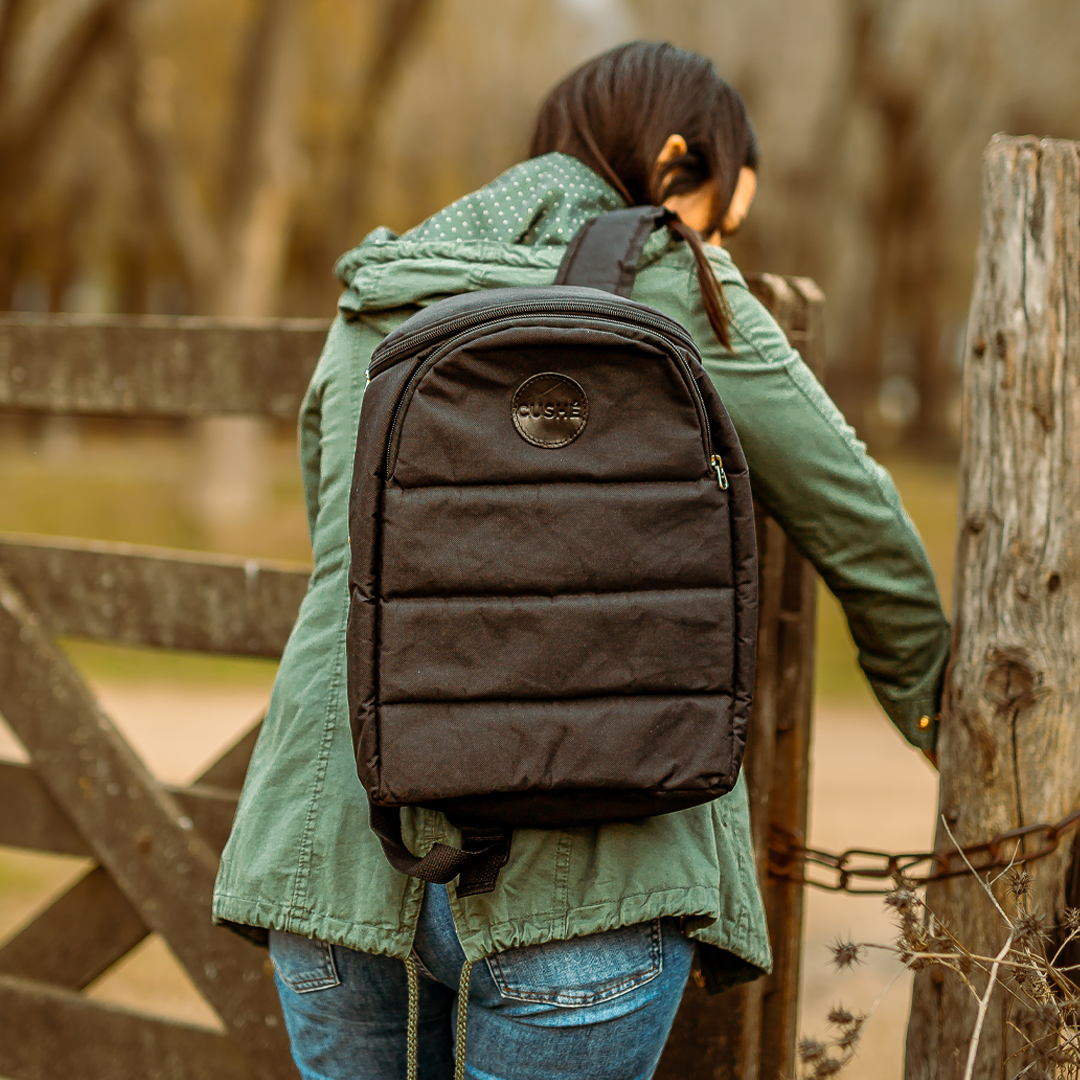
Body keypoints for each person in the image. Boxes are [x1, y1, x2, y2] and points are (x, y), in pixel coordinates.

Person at [213, 41, 949, 1080]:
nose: (721, 244)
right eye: (721, 217)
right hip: (577, 880)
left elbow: (347, 557)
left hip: (332, 866)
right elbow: (858, 517)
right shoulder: (671, 278)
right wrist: (940, 718)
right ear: (675, 163)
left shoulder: (377, 290)